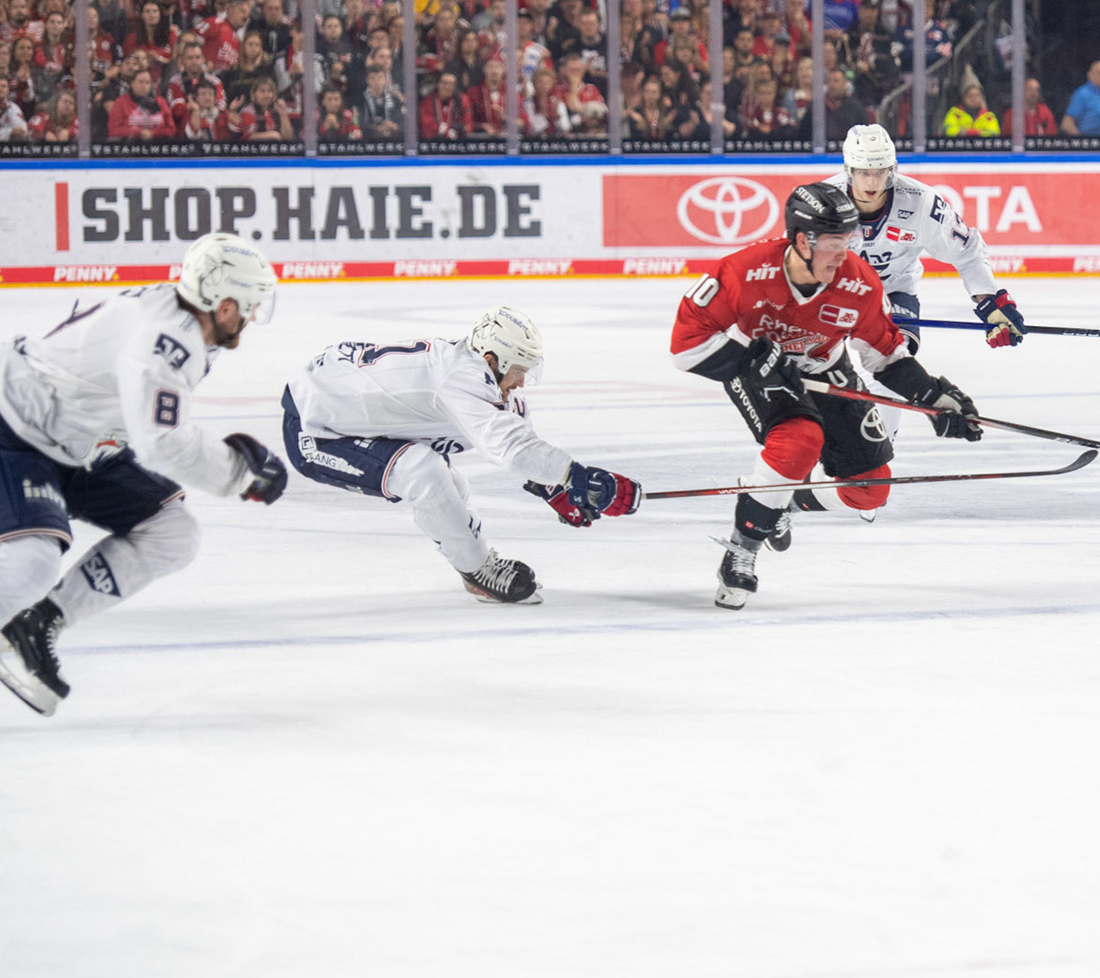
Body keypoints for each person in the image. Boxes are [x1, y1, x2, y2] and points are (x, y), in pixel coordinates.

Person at [0, 234, 287, 716]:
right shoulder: (164, 340)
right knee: (32, 564)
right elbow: (162, 442)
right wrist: (241, 475)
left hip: (77, 442)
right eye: (249, 306)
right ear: (223, 304)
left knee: (172, 532)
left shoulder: (180, 321)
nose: (251, 318)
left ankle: (37, 622)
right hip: (15, 428)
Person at [670, 183, 983, 608]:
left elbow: (885, 356)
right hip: (758, 371)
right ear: (802, 241)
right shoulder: (743, 272)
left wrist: (931, 396)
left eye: (849, 241)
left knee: (870, 489)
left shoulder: (859, 283)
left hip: (825, 366)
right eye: (835, 244)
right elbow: (687, 345)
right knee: (800, 441)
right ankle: (742, 549)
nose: (845, 255)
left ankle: (779, 502)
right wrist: (749, 364)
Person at [280, 307, 639, 606]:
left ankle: (474, 560)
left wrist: (556, 490)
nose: (522, 382)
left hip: (344, 399)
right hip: (316, 430)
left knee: (450, 482)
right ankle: (477, 571)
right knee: (424, 472)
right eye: (518, 371)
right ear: (491, 360)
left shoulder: (483, 380)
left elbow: (519, 439)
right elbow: (512, 450)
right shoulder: (461, 378)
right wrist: (575, 476)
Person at [825, 124, 1026, 352]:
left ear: (891, 170)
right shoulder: (820, 202)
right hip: (832, 292)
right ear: (849, 170)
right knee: (808, 361)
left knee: (895, 358)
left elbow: (968, 253)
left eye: (879, 171)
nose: (872, 182)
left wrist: (989, 302)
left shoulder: (922, 203)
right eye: (864, 172)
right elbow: (790, 260)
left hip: (893, 291)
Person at [1059, 59, 1100, 136]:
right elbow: (1067, 124)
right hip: (1090, 142)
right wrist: (1082, 141)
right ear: (1089, 75)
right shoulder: (1082, 94)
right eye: (1099, 72)